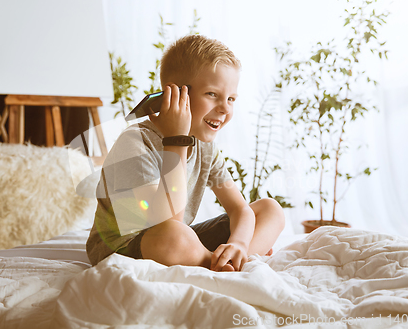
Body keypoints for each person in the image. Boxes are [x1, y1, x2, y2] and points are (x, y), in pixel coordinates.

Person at [86, 34, 285, 272]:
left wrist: (239, 242)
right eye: (212, 94)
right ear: (175, 95)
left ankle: (232, 258)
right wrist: (176, 141)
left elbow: (239, 209)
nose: (225, 108)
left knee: (270, 210)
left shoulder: (204, 146)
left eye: (231, 98)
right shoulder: (136, 142)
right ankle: (219, 263)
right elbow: (167, 222)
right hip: (127, 246)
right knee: (174, 235)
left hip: (177, 236)